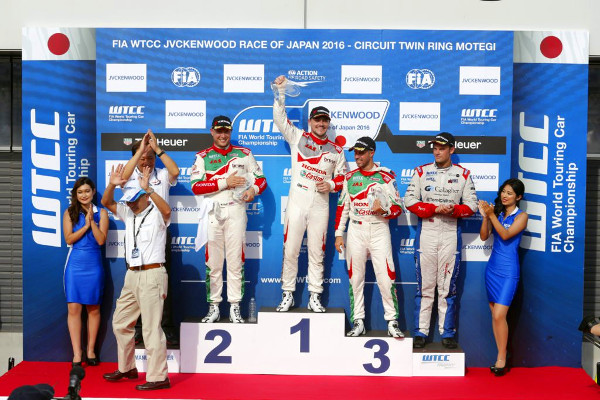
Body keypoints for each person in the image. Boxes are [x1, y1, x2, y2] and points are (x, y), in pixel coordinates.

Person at [272, 75, 347, 312]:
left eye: (325, 121)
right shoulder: (298, 137)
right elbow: (279, 119)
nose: (321, 124)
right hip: (297, 202)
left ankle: (315, 296)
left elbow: (344, 178)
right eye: (317, 120)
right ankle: (287, 294)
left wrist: (332, 185)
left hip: (320, 206)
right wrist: (281, 92)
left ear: (328, 123)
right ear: (310, 121)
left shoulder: (336, 150)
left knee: (317, 252)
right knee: (291, 250)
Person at [404, 132, 478, 349]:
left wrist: (453, 210)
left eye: (442, 148)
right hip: (427, 232)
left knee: (447, 287)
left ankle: (447, 333)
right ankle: (421, 332)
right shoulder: (421, 171)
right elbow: (409, 200)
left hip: (450, 232)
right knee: (425, 286)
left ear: (451, 150)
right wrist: (434, 208)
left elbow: (472, 205)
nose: (437, 152)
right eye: (435, 148)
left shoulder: (463, 174)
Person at [190, 115, 267, 323]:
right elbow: (196, 186)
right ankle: (214, 307)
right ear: (212, 132)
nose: (223, 135)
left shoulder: (244, 154)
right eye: (219, 131)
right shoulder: (203, 157)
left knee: (235, 261)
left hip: (236, 211)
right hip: (213, 213)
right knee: (213, 263)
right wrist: (225, 182)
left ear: (231, 132)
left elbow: (261, 180)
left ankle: (235, 306)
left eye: (226, 131)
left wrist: (253, 190)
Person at [101, 164, 171, 391]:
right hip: (132, 274)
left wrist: (149, 188)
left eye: (134, 199)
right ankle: (127, 367)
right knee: (120, 322)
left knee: (151, 328)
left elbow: (167, 211)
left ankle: (158, 376)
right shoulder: (128, 212)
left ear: (144, 197)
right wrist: (111, 185)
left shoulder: (157, 213)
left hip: (152, 274)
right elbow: (106, 202)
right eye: (128, 200)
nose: (130, 204)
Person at [334, 137, 404, 338]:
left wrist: (384, 211)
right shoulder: (349, 177)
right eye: (355, 152)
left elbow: (398, 208)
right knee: (355, 279)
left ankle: (392, 321)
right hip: (356, 231)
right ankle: (358, 321)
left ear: (371, 153)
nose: (357, 156)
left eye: (361, 152)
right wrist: (338, 234)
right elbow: (342, 207)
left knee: (386, 278)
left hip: (379, 229)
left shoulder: (386, 176)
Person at [121, 129, 179, 346]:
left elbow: (175, 171)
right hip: (134, 237)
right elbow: (122, 177)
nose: (147, 161)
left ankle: (166, 328)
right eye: (142, 158)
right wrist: (141, 150)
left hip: (159, 234)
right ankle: (138, 329)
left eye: (150, 157)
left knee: (162, 285)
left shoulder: (161, 175)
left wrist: (156, 149)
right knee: (136, 285)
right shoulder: (129, 177)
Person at [479, 178, 528, 376]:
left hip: (508, 271)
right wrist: (486, 217)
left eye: (510, 193)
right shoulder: (497, 213)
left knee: (500, 315)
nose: (505, 196)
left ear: (518, 197)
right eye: (503, 192)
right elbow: (484, 236)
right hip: (492, 269)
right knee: (495, 316)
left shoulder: (522, 216)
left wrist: (492, 215)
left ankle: (502, 357)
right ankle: (501, 353)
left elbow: (506, 235)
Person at [63, 177, 108, 367]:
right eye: (80, 192)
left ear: (93, 192)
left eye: (87, 191)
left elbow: (101, 240)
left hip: (94, 265)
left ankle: (90, 351)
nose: (84, 195)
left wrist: (93, 223)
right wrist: (86, 226)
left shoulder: (102, 213)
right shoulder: (69, 212)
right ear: (75, 194)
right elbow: (69, 238)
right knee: (74, 309)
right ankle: (77, 353)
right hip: (75, 265)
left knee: (93, 308)